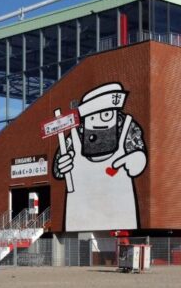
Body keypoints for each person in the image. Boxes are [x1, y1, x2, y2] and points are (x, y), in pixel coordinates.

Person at [54, 83, 146, 231]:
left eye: (106, 115)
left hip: (122, 219)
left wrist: (138, 160)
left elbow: (138, 154)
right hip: (79, 219)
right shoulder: (74, 136)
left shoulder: (127, 128)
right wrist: (61, 166)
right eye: (92, 117)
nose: (99, 123)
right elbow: (58, 168)